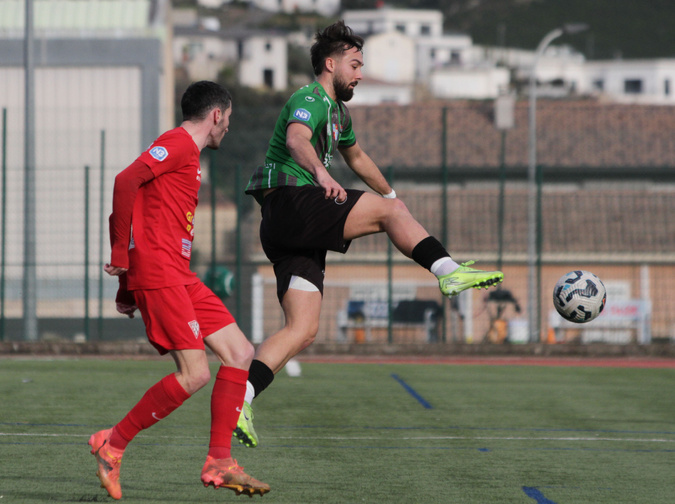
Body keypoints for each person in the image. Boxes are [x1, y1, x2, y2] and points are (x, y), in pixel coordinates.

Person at [236, 21, 504, 448]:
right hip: (291, 203)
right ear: (330, 64)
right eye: (355, 64)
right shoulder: (309, 98)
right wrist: (324, 175)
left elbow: (358, 157)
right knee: (389, 214)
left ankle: (241, 398)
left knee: (303, 329)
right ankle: (448, 271)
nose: (360, 74)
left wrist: (392, 197)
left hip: (289, 231)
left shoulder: (340, 113)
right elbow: (295, 139)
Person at [89, 81, 270, 499]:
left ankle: (220, 462)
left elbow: (142, 208)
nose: (227, 129)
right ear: (217, 115)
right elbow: (124, 182)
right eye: (229, 120)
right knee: (195, 374)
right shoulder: (177, 144)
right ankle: (111, 445)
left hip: (178, 274)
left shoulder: (188, 154)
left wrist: (124, 286)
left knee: (241, 352)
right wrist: (122, 259)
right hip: (162, 273)